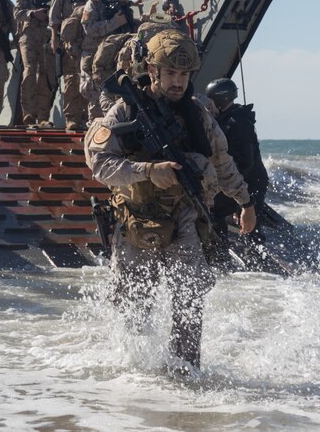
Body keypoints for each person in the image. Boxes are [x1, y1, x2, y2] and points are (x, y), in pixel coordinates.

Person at [84, 29, 256, 373]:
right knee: (133, 305)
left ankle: (185, 374)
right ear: (152, 71)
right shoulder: (124, 111)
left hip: (183, 220)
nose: (178, 82)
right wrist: (146, 170)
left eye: (184, 75)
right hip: (136, 220)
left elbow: (222, 162)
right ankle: (135, 376)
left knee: (190, 301)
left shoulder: (198, 114)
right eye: (170, 74)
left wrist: (245, 202)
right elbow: (99, 163)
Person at [48, 0, 108, 131]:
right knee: (72, 78)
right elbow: (55, 12)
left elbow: (106, 0)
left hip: (92, 36)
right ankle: (72, 117)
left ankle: (87, 115)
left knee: (91, 77)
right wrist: (54, 37)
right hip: (72, 38)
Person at [205, 78, 269, 237]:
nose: (208, 107)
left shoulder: (237, 123)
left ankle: (255, 258)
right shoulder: (227, 119)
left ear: (220, 99)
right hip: (239, 181)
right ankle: (220, 250)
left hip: (251, 183)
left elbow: (245, 163)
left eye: (210, 102)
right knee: (215, 210)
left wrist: (236, 195)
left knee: (249, 227)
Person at [79, 0, 141, 121]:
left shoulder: (124, 7)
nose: (126, 0)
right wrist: (114, 23)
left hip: (114, 59)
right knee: (95, 96)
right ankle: (95, 129)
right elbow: (89, 29)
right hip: (94, 57)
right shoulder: (94, 4)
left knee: (114, 97)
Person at [14, 0, 64, 126]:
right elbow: (17, 12)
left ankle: (43, 117)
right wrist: (33, 13)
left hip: (50, 35)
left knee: (47, 75)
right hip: (30, 33)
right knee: (29, 71)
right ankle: (28, 113)